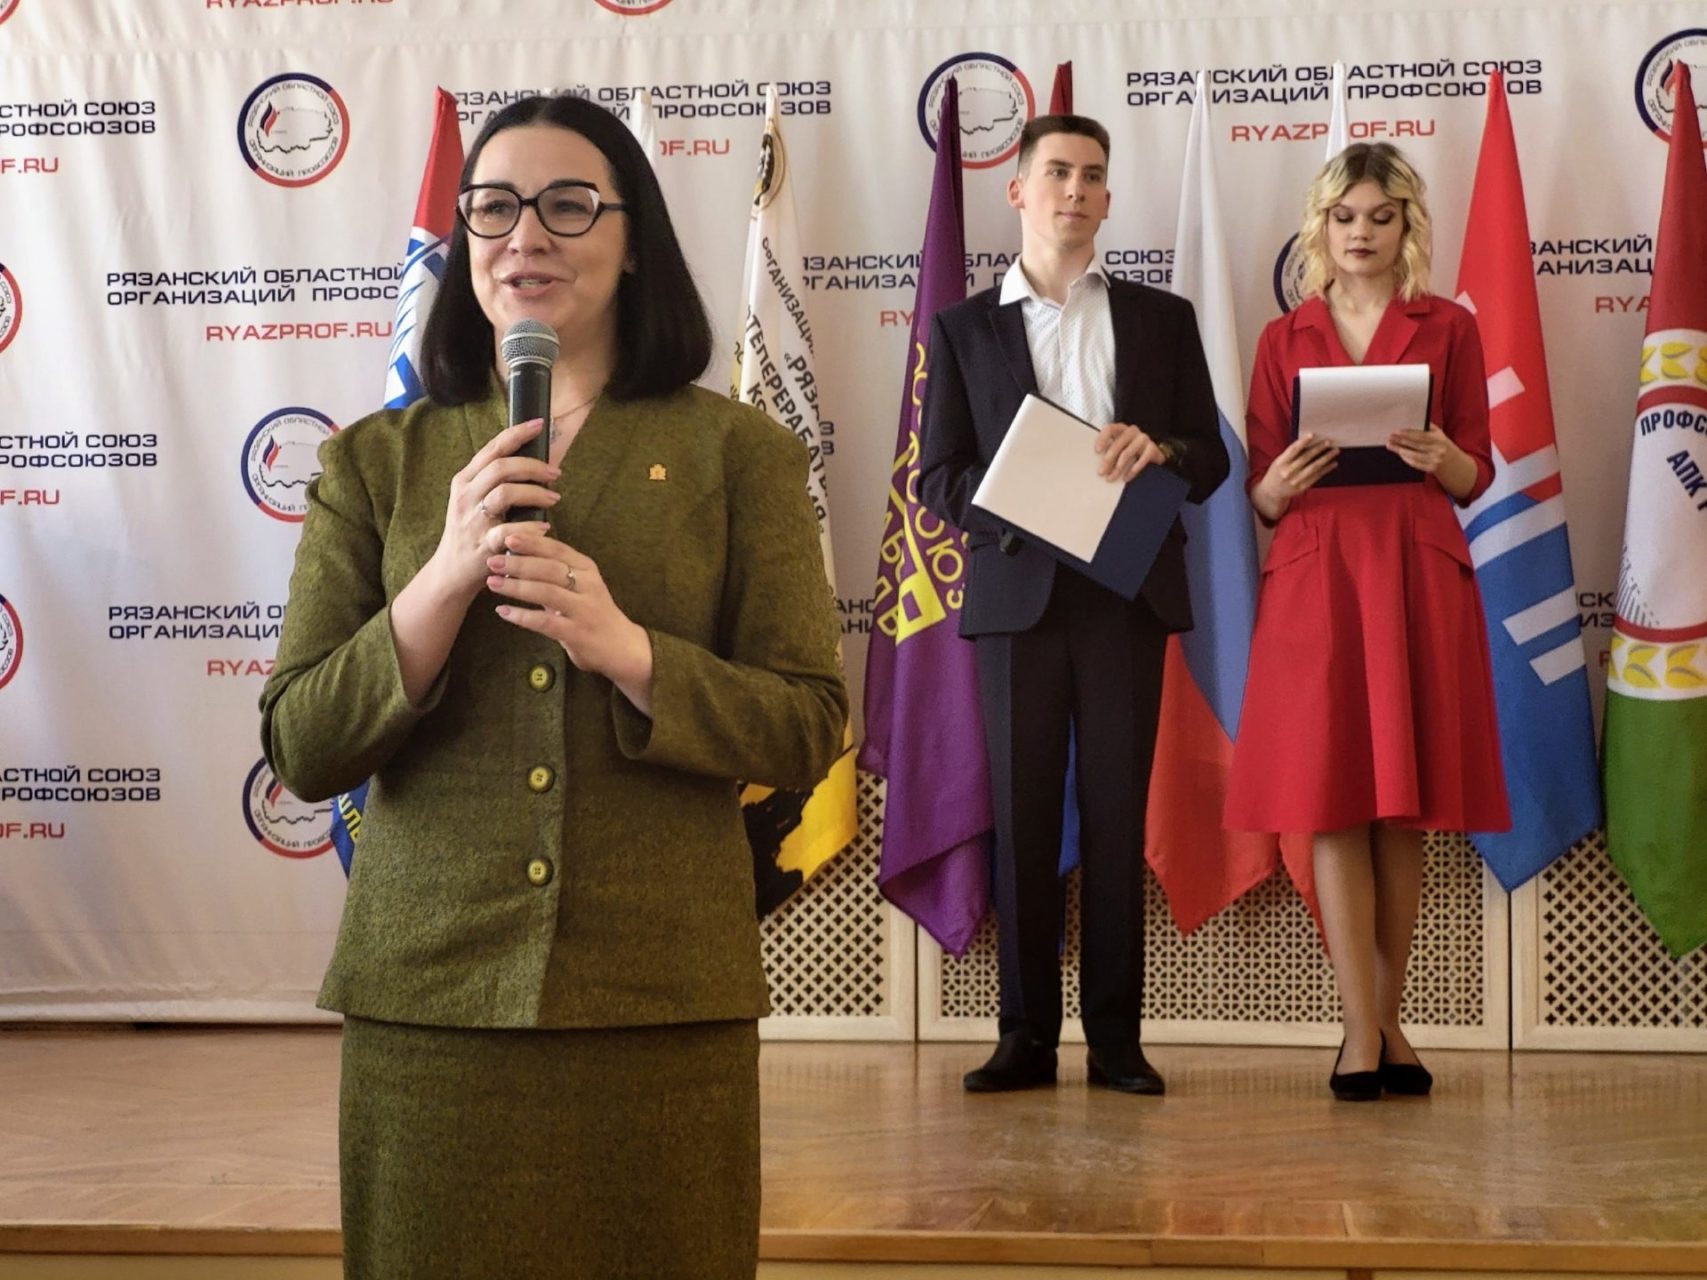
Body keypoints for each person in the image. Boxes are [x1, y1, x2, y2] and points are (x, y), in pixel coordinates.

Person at [259, 94, 847, 1278]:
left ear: (634, 242)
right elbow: (303, 745)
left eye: (568, 204)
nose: (525, 234)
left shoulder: (741, 454)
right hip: (430, 1007)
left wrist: (632, 651)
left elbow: (806, 724)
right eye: (493, 207)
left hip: (660, 1004)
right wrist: (441, 579)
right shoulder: (376, 461)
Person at [918, 114, 1228, 1096]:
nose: (1076, 190)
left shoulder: (1161, 319)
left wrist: (1160, 449)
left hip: (1125, 594)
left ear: (1107, 197)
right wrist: (1020, 496)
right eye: (1056, 172)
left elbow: (1209, 459)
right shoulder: (962, 328)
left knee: (1115, 818)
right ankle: (1023, 1037)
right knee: (1020, 819)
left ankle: (1116, 1041)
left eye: (1093, 175)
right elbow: (937, 475)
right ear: (1018, 190)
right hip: (1017, 595)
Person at [1225, 143, 1510, 1101]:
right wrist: (1276, 482)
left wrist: (1440, 456)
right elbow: (1261, 495)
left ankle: (1388, 1023)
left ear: (1405, 227)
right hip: (1317, 576)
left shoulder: (1448, 328)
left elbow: (1477, 473)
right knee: (1332, 796)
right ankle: (1359, 1029)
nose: (1360, 233)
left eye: (1380, 217)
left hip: (1414, 571)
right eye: (1344, 217)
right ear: (1320, 226)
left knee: (1401, 804)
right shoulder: (1282, 338)